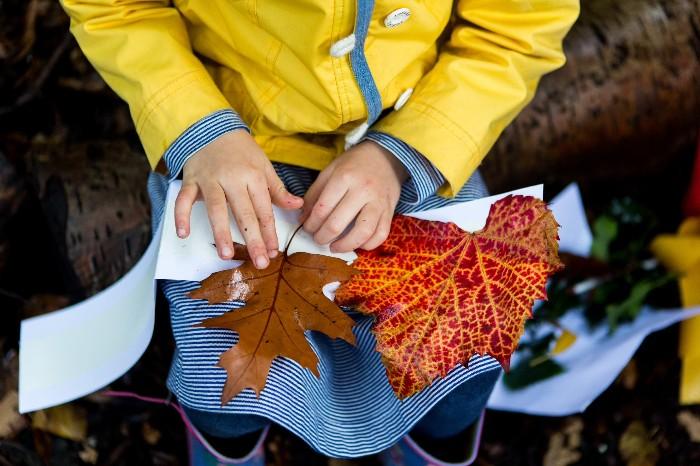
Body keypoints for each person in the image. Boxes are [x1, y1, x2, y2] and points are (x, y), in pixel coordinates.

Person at [60, 1, 580, 464]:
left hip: (418, 135)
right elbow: (116, 10)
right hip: (236, 150)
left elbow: (521, 26)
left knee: (466, 355)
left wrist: (408, 150)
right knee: (223, 374)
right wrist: (200, 129)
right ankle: (230, 448)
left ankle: (432, 445)